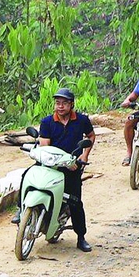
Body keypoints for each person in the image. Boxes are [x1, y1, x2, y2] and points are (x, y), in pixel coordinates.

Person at [36, 87, 95, 252]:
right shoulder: (47, 122)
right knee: (28, 177)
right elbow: (44, 145)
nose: (60, 106)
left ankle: (81, 237)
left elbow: (90, 136)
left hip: (72, 166)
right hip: (51, 165)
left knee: (75, 201)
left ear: (71, 104)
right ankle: (21, 211)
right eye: (57, 103)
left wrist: (84, 156)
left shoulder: (82, 120)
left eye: (64, 103)